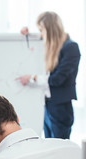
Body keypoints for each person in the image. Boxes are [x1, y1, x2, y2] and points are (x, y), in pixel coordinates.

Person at [16, 11, 80, 139]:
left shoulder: (70, 47)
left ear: (50, 30)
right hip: (47, 106)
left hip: (60, 107)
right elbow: (34, 44)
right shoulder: (50, 47)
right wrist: (26, 34)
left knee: (60, 147)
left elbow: (58, 79)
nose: (40, 34)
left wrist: (33, 78)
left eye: (42, 30)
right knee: (49, 146)